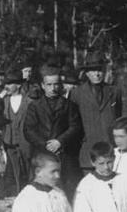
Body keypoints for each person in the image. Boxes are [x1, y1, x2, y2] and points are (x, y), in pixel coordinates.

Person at [24, 64, 83, 200]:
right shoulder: (34, 106)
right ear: (43, 85)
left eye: (56, 84)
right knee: (42, 194)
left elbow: (75, 127)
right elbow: (29, 130)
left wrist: (59, 141)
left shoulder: (69, 105)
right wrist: (46, 145)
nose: (53, 88)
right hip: (42, 155)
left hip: (65, 157)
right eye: (49, 85)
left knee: (67, 193)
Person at [70, 51, 123, 174]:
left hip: (110, 151)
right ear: (87, 73)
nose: (97, 74)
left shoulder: (114, 91)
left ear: (104, 71)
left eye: (99, 70)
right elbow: (73, 122)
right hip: (88, 151)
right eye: (93, 71)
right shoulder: (77, 93)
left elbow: (119, 118)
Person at [3, 69, 33, 161]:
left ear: (18, 85)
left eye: (9, 84)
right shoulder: (4, 101)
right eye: (5, 84)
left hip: (26, 146)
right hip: (9, 145)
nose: (6, 87)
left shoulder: (29, 102)